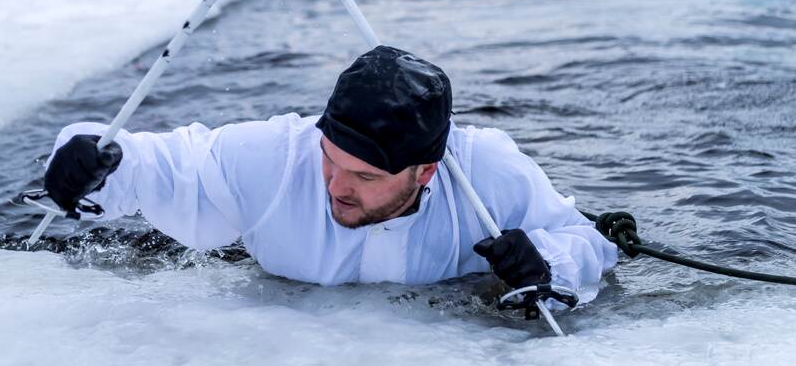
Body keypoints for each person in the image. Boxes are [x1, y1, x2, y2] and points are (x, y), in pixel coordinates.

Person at [45, 45, 617, 303]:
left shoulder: (487, 174)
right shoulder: (274, 157)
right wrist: (94, 159)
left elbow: (588, 243)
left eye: (367, 178)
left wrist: (544, 262)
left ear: (424, 172)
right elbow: (157, 164)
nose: (337, 186)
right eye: (333, 160)